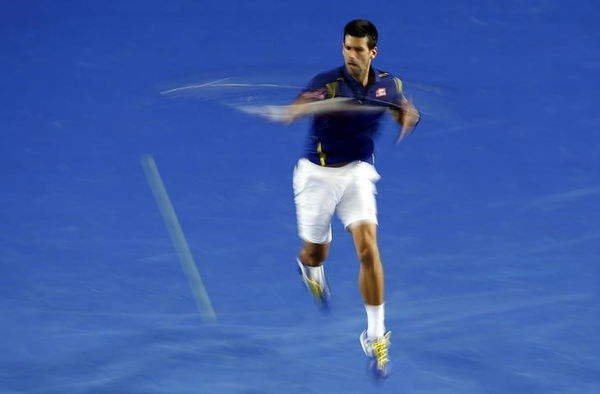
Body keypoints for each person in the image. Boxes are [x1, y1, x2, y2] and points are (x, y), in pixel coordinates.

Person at [285, 19, 419, 379]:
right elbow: (299, 105)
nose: (351, 55)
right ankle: (310, 270)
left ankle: (375, 335)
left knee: (368, 247)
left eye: (359, 49)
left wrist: (408, 116)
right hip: (317, 175)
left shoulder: (389, 84)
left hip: (358, 172)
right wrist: (295, 110)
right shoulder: (326, 84)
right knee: (316, 251)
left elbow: (401, 106)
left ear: (372, 52)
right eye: (347, 47)